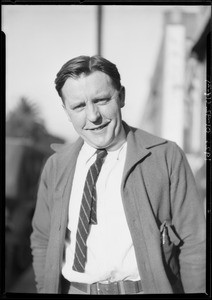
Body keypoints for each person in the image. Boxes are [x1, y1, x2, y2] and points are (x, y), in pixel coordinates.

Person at [30, 55, 206, 294]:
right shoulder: (56, 166)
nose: (93, 116)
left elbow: (195, 242)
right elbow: (42, 240)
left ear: (121, 96)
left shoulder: (166, 156)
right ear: (66, 111)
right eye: (79, 106)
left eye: (101, 100)